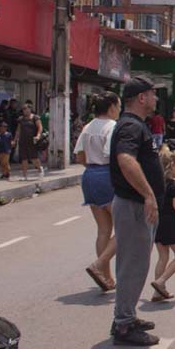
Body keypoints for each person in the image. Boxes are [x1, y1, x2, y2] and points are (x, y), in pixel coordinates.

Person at [108, 76, 164, 346]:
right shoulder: (130, 126)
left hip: (135, 205)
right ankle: (124, 326)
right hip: (133, 205)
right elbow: (126, 159)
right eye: (153, 94)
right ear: (141, 98)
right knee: (133, 265)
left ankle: (126, 315)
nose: (156, 98)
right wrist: (148, 194)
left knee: (135, 264)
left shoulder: (136, 125)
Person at [76, 92, 121, 292]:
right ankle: (100, 265)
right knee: (125, 227)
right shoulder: (112, 127)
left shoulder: (87, 127)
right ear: (111, 107)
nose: (119, 110)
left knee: (103, 229)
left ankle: (106, 277)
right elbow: (112, 157)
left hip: (89, 175)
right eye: (118, 106)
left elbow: (80, 156)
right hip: (106, 175)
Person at [151, 148, 175, 301]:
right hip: (170, 224)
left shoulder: (156, 183)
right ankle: (161, 281)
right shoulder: (174, 185)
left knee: (162, 256)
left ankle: (158, 292)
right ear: (171, 165)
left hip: (157, 222)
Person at [12, 103, 43, 181]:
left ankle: (40, 170)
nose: (25, 111)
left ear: (30, 109)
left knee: (34, 158)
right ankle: (25, 175)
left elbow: (40, 127)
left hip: (32, 140)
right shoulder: (21, 119)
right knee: (24, 158)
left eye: (26, 109)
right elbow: (18, 130)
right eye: (23, 109)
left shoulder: (35, 118)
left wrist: (38, 135)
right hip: (23, 140)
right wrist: (15, 140)